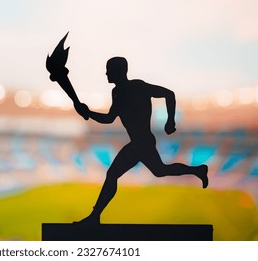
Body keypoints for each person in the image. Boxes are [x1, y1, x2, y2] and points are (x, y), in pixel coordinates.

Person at [74, 56, 208, 224]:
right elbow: (109, 118)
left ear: (118, 71)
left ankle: (94, 217)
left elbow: (168, 94)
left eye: (109, 69)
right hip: (140, 142)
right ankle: (198, 171)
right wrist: (88, 112)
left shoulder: (138, 87)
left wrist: (170, 120)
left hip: (142, 142)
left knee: (112, 174)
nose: (106, 73)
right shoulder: (116, 92)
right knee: (160, 170)